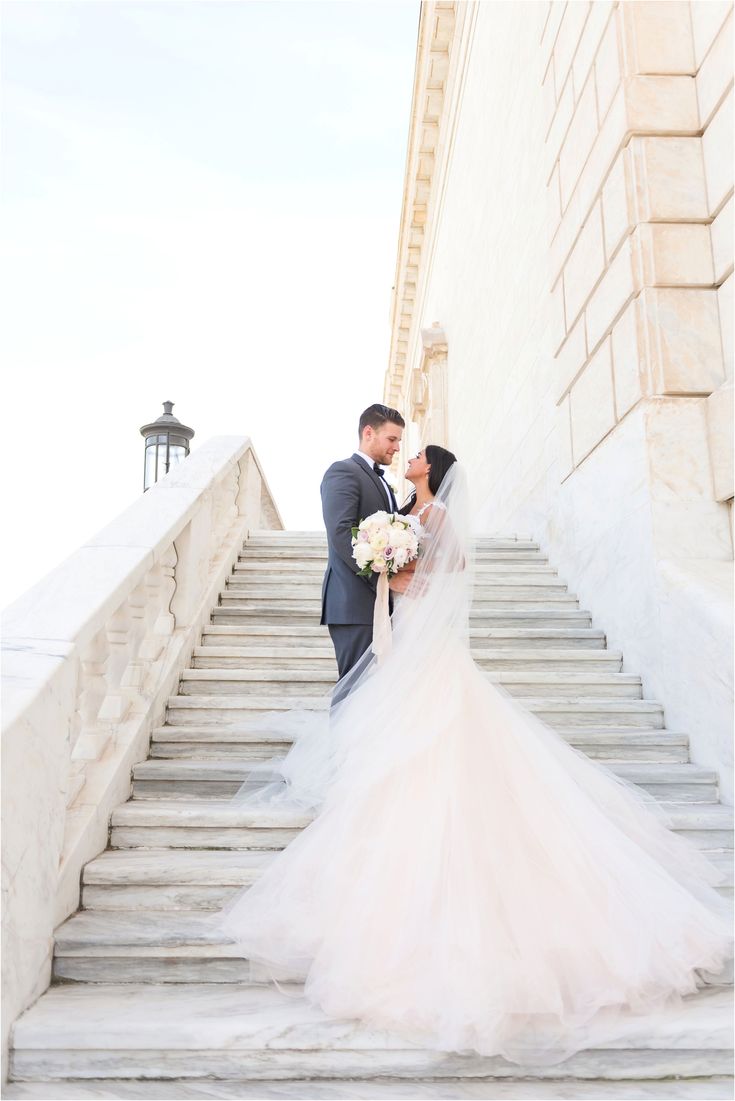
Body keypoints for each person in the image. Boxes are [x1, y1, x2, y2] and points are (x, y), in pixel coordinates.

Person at [216, 446, 732, 1066]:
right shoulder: (411, 508)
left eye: (415, 454)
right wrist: (391, 566)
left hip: (428, 653)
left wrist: (400, 575)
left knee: (435, 740)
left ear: (429, 469)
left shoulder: (431, 513)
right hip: (409, 642)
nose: (406, 456)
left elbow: (447, 569)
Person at [319, 404, 405, 688]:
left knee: (371, 696)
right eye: (392, 439)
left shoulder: (383, 481)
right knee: (353, 688)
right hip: (353, 602)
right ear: (369, 432)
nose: (396, 448)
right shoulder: (343, 472)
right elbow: (341, 533)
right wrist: (386, 578)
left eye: (399, 441)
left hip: (379, 604)